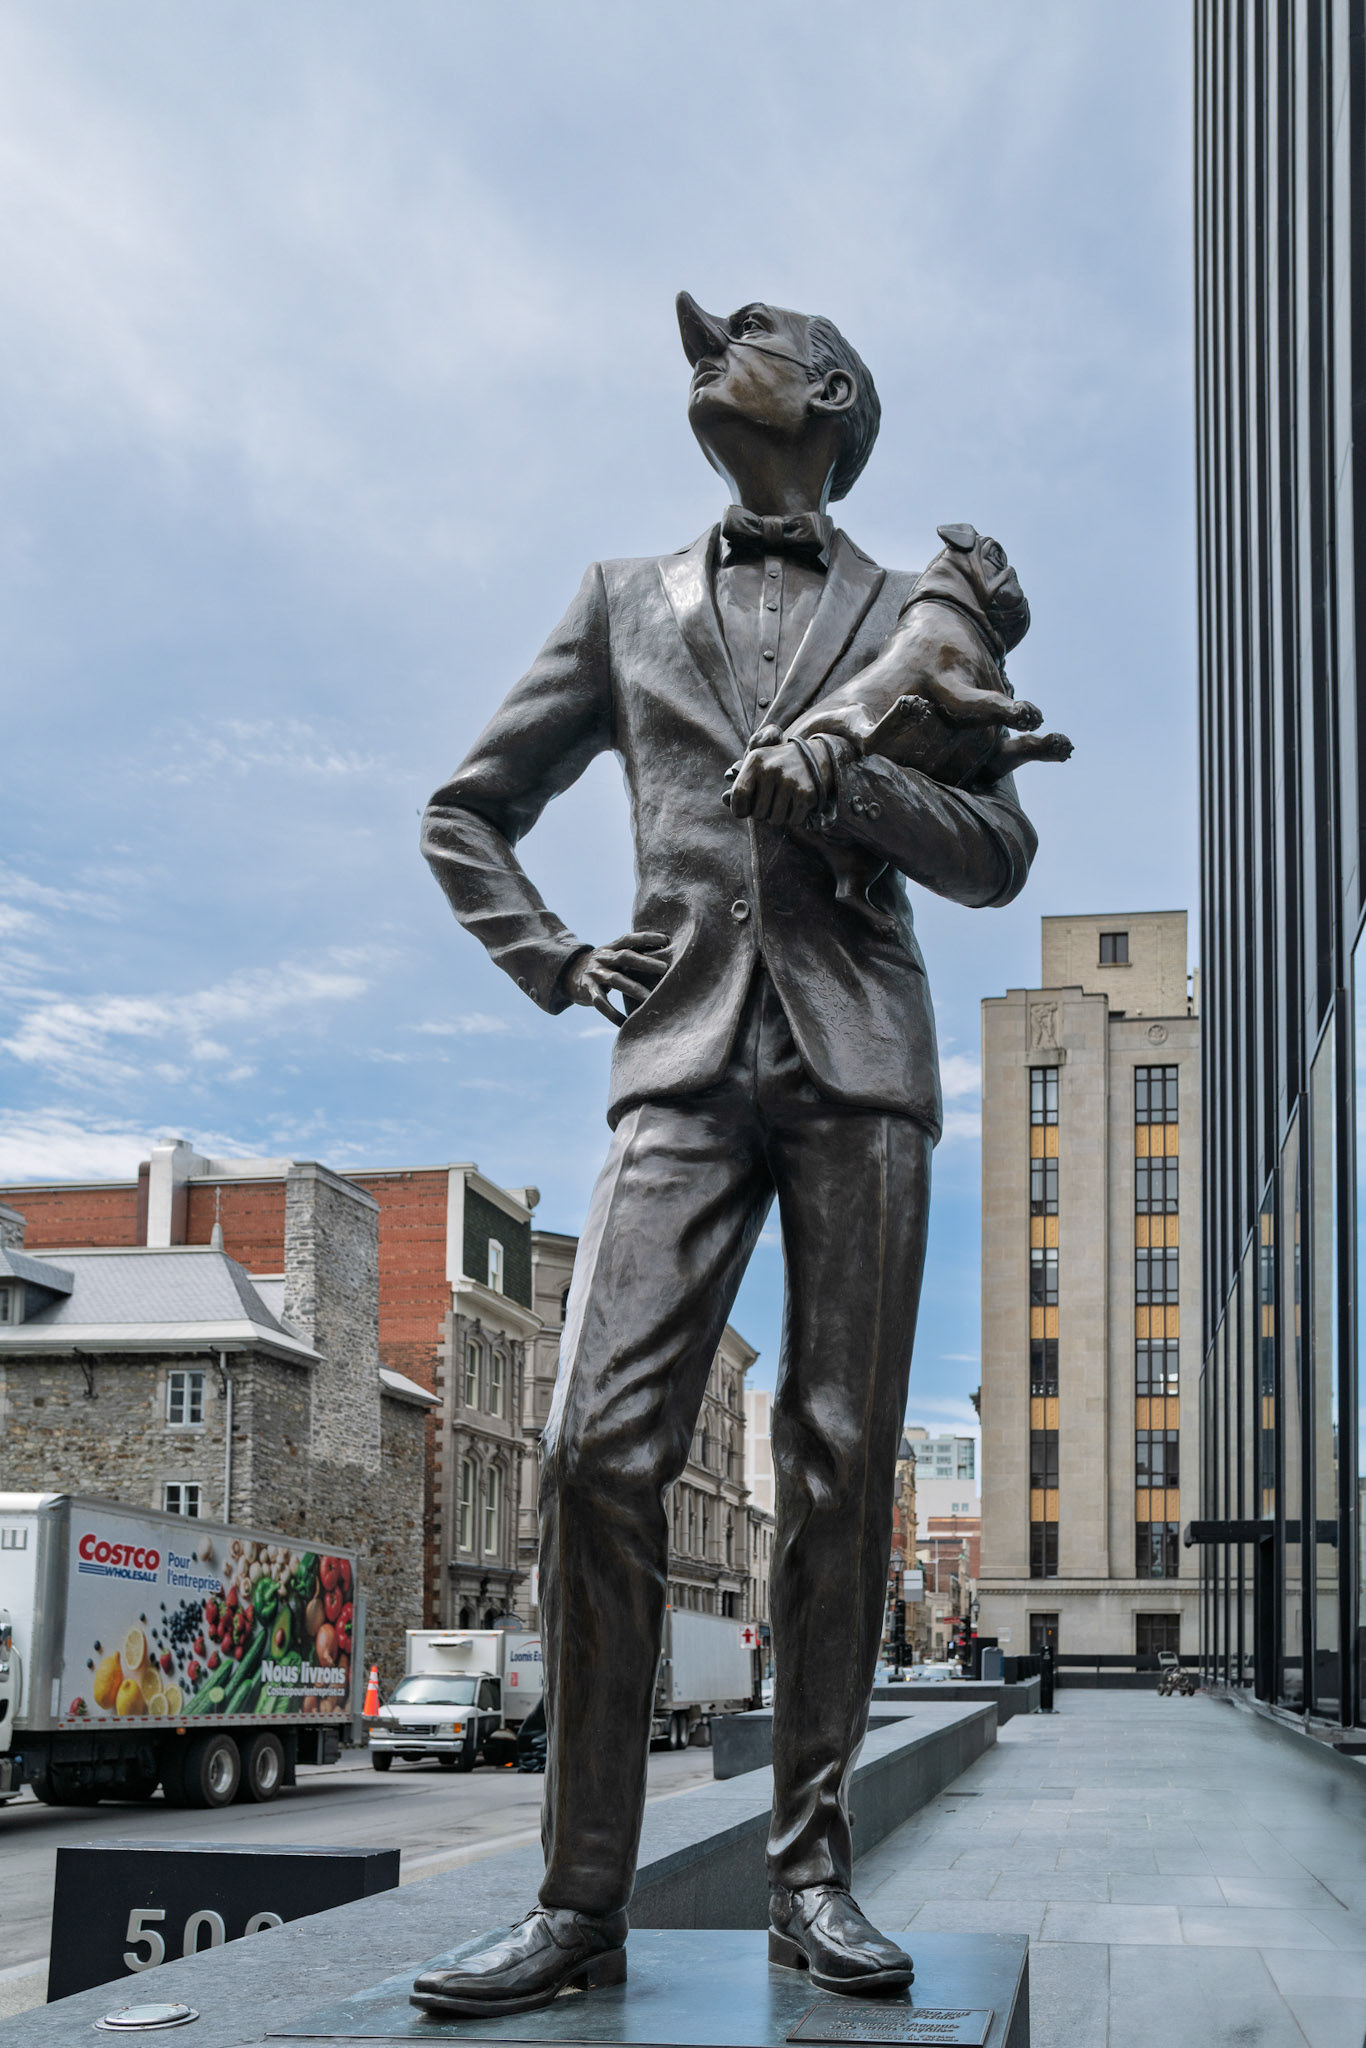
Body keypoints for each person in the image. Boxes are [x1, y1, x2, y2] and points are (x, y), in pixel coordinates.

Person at [412, 293, 1037, 2018]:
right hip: (677, 1061)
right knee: (593, 1453)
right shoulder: (623, 602)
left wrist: (846, 786)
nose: (701, 349)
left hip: (858, 1065)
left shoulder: (920, 612)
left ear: (826, 398)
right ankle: (575, 1904)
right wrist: (550, 957)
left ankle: (811, 1880)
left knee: (837, 1464)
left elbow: (992, 849)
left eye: (740, 338)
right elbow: (468, 804)